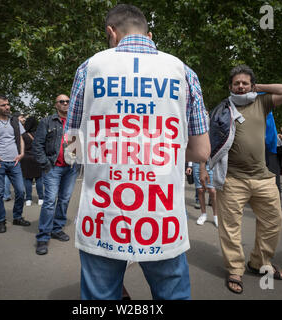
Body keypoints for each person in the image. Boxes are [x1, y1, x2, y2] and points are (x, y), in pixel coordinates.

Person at [65, 4, 210, 300]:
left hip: (104, 214)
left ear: (111, 33)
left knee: (100, 297)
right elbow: (202, 151)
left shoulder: (90, 67)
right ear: (150, 34)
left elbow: (71, 151)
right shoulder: (183, 71)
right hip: (161, 216)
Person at [209, 64, 282, 294]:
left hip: (263, 178)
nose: (240, 86)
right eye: (236, 83)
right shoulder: (222, 109)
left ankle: (259, 262)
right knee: (230, 228)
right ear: (230, 86)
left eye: (245, 83)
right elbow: (210, 141)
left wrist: (259, 88)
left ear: (252, 85)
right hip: (232, 179)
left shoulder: (262, 102)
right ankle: (235, 269)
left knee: (273, 222)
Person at [33, 94, 80, 255]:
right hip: (53, 167)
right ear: (56, 104)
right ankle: (43, 236)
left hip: (71, 168)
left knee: (65, 199)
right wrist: (45, 164)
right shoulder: (47, 122)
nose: (65, 104)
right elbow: (37, 145)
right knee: (50, 201)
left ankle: (57, 228)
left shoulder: (76, 123)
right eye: (62, 101)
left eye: (68, 101)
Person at [0, 95, 31, 233]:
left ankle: (17, 217)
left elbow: (20, 138)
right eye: (3, 105)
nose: (7, 107)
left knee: (20, 191)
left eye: (8, 104)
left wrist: (22, 153)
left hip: (15, 161)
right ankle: (0, 221)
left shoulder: (14, 121)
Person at [21, 116, 45, 206]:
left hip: (26, 159)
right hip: (37, 158)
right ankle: (41, 198)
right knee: (39, 179)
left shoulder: (23, 135)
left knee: (28, 180)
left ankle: (28, 199)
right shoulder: (39, 134)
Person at [187, 162, 218, 227]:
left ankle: (216, 216)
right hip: (197, 163)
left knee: (212, 190)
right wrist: (189, 166)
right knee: (200, 190)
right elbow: (191, 151)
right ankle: (203, 214)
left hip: (210, 163)